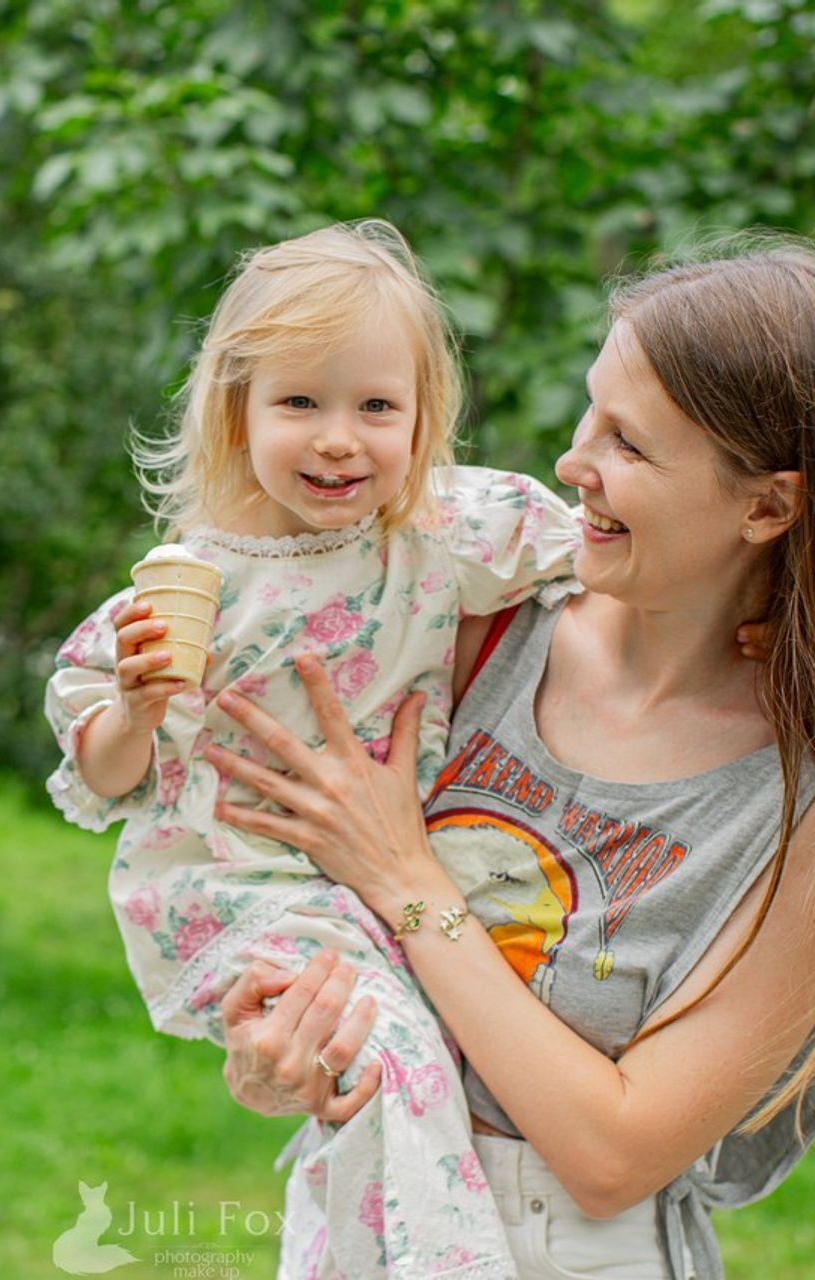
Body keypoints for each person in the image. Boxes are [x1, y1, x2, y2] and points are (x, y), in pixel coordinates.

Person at [207, 235, 815, 1279]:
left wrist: (404, 877)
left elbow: (611, 1149)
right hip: (357, 1217)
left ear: (763, 506)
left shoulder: (786, 805)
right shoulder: (473, 624)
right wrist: (281, 1050)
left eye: (627, 443)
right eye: (590, 410)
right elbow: (290, 899)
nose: (572, 461)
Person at [45, 219, 581, 1277]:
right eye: (299, 402)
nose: (339, 438)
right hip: (246, 888)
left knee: (375, 1094)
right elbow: (101, 776)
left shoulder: (432, 533)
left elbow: (606, 558)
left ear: (423, 416)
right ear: (232, 410)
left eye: (375, 406)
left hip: (391, 881)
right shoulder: (195, 584)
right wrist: (139, 709)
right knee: (386, 1063)